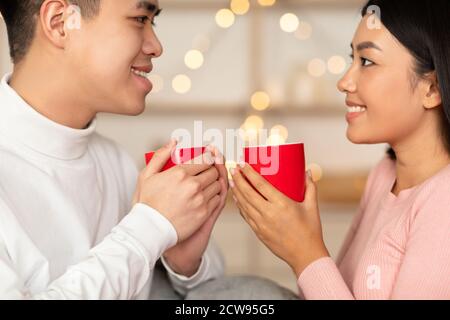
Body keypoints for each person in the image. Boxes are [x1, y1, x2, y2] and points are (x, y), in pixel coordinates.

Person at [0, 0, 231, 299]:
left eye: (153, 22)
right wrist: (149, 228)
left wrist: (183, 261)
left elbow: (219, 292)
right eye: (139, 19)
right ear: (60, 23)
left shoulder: (117, 163)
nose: (156, 46)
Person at [231, 0, 450, 299]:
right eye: (352, 59)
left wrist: (305, 253)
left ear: (433, 88)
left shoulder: (444, 202)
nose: (344, 81)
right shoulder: (384, 176)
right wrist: (303, 245)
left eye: (368, 62)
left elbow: (315, 270)